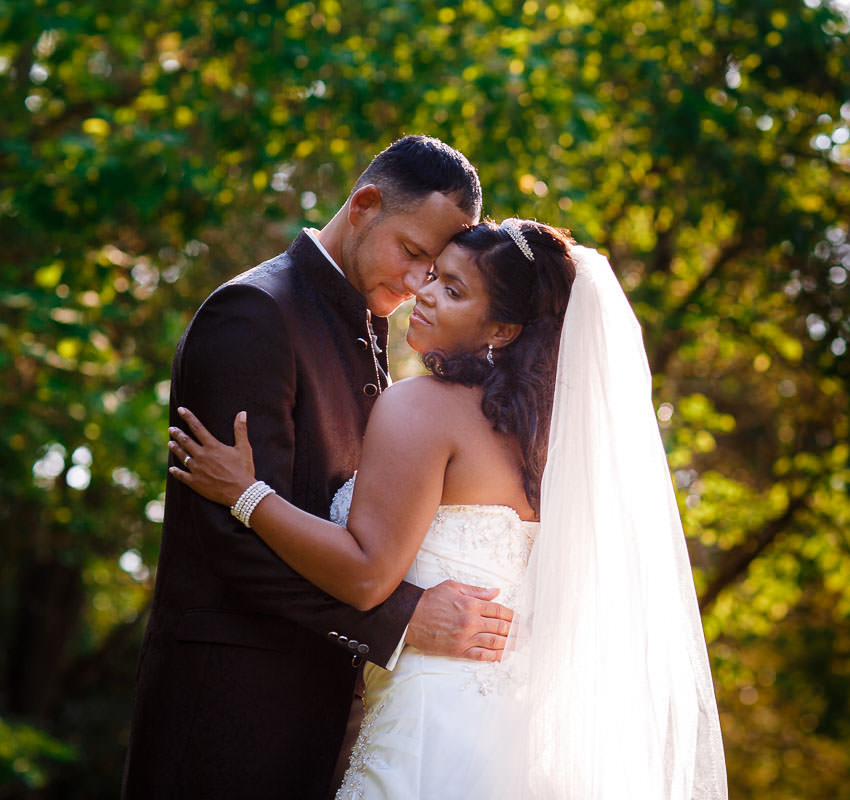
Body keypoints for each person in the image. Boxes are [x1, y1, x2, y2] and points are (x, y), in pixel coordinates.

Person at [169, 218, 728, 798]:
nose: (426, 294)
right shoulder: (551, 443)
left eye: (455, 291)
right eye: (435, 276)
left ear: (503, 330)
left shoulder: (421, 408)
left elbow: (365, 575)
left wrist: (246, 496)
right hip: (513, 742)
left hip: (426, 732)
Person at [122, 136, 517, 800]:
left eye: (437, 270)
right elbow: (231, 541)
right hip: (228, 721)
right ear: (364, 205)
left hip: (327, 725)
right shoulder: (253, 314)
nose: (421, 282)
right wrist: (402, 619)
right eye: (414, 254)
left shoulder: (370, 328)